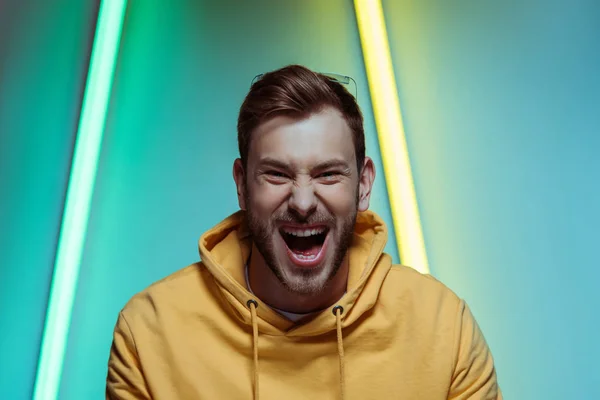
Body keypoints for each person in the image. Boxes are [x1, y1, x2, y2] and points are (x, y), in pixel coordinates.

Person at [106, 65, 502, 399]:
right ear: (242, 185)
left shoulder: (444, 329)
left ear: (363, 185)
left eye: (328, 174)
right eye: (276, 174)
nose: (302, 201)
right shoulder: (150, 333)